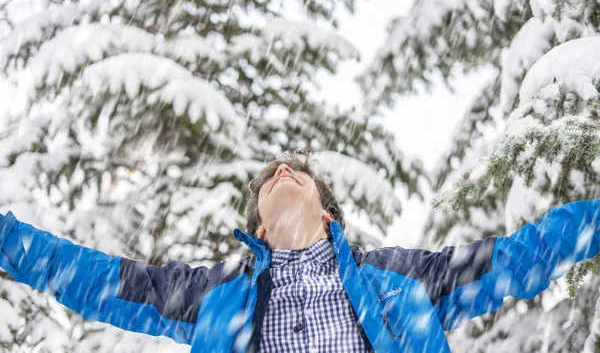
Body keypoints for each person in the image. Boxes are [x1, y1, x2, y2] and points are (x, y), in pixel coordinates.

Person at [1, 148, 600, 353]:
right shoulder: (213, 297)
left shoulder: (403, 281)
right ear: (258, 227)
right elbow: (90, 277)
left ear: (328, 212)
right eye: (270, 176)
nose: (282, 169)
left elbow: (528, 254)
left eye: (296, 171)